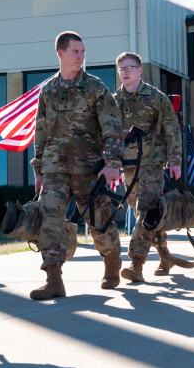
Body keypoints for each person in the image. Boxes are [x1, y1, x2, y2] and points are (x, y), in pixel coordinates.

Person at [30, 31, 124, 299]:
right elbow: (41, 132)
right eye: (75, 51)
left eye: (83, 51)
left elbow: (112, 127)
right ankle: (53, 280)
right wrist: (38, 170)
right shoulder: (48, 90)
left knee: (99, 222)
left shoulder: (96, 87)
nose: (81, 56)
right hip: (54, 170)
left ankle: (112, 261)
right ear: (60, 53)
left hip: (88, 169)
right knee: (49, 220)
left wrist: (113, 162)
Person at [113, 52, 182, 282]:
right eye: (121, 68)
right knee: (146, 214)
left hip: (152, 163)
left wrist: (175, 161)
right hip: (128, 166)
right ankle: (165, 256)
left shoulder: (155, 97)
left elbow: (172, 129)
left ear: (140, 70)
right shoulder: (115, 101)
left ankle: (136, 264)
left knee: (145, 211)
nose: (125, 72)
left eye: (129, 67)